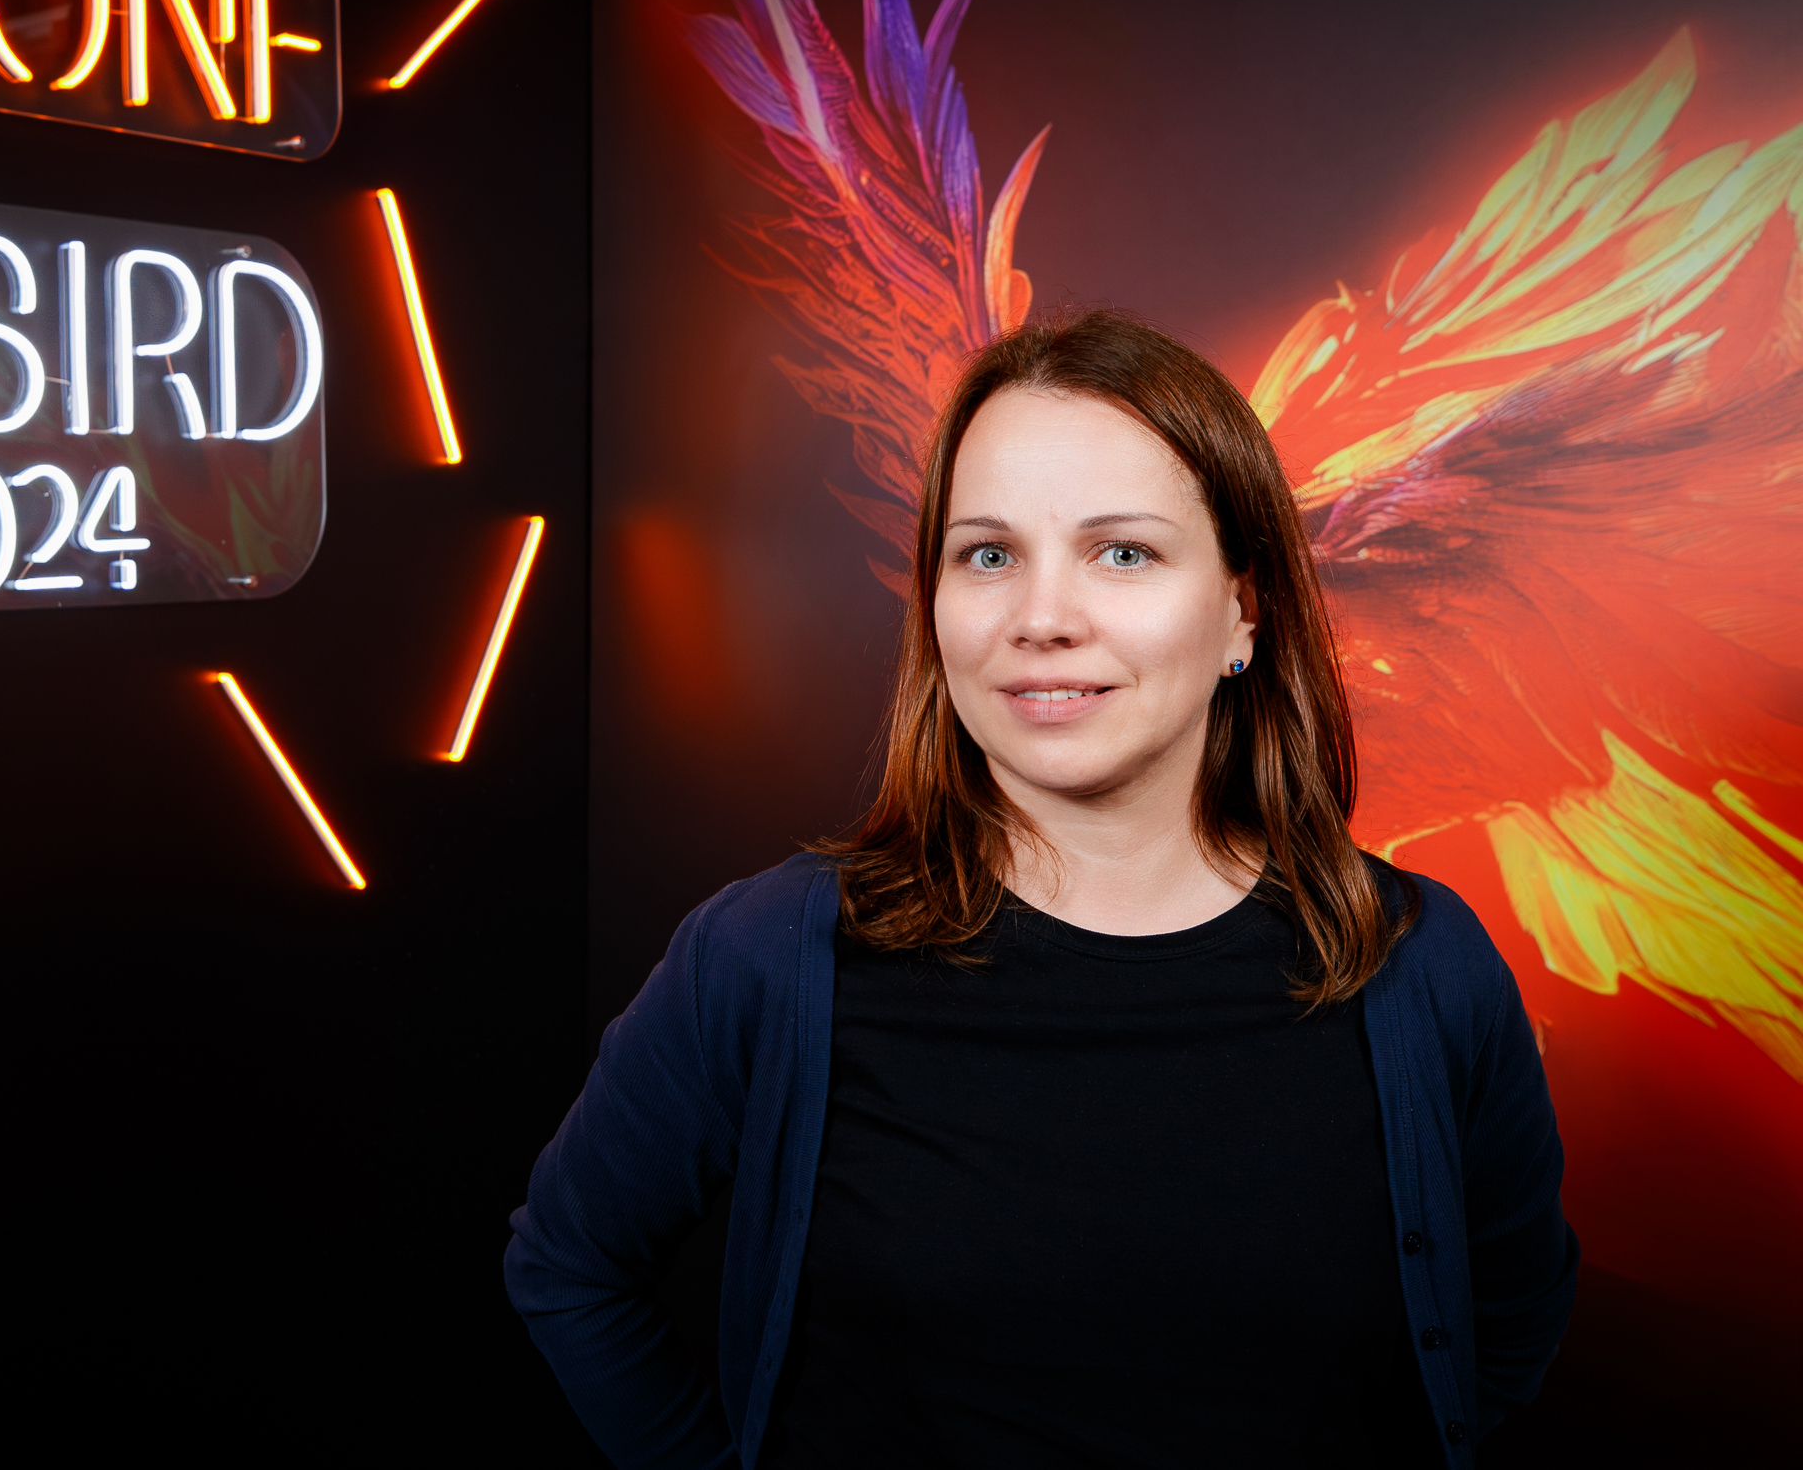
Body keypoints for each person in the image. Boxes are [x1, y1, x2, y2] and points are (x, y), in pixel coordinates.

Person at [507, 312, 1576, 1468]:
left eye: (1123, 554)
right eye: (987, 555)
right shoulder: (766, 956)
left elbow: (1508, 1322)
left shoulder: (1421, 968)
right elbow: (569, 1266)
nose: (1041, 620)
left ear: (1243, 610)